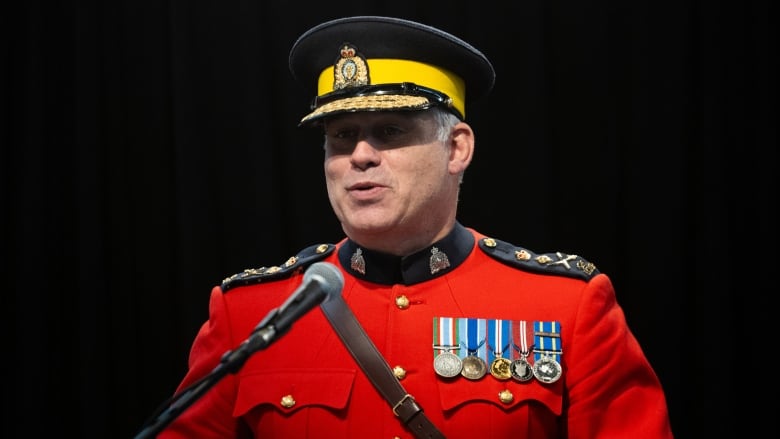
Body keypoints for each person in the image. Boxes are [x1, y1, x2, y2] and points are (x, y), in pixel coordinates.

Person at [155, 15, 673, 438]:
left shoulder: (565, 307)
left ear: (457, 148)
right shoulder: (249, 313)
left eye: (389, 131)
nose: (359, 156)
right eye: (340, 137)